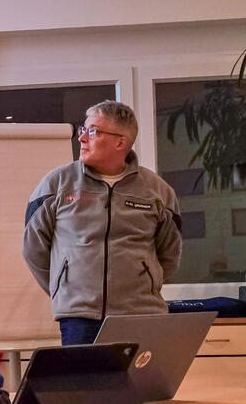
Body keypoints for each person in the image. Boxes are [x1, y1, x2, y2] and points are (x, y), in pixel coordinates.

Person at [22, 100, 182, 345]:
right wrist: (65, 287)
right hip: (79, 317)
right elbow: (34, 249)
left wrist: (144, 282)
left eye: (93, 131)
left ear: (120, 142)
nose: (82, 138)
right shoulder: (56, 185)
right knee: (83, 384)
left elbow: (169, 254)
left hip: (140, 314)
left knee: (140, 384)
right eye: (83, 129)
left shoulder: (158, 192)